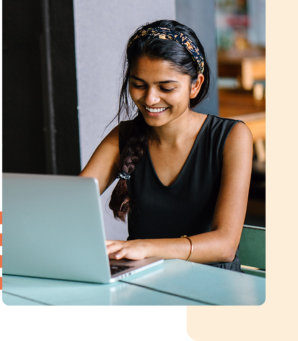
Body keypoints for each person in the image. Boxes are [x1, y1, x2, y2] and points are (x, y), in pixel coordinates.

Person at [79, 19, 253, 272]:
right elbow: (70, 205)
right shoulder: (124, 136)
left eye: (166, 87)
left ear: (195, 85)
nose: (150, 99)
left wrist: (145, 247)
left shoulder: (232, 136)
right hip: (143, 282)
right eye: (138, 85)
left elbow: (224, 245)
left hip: (212, 284)